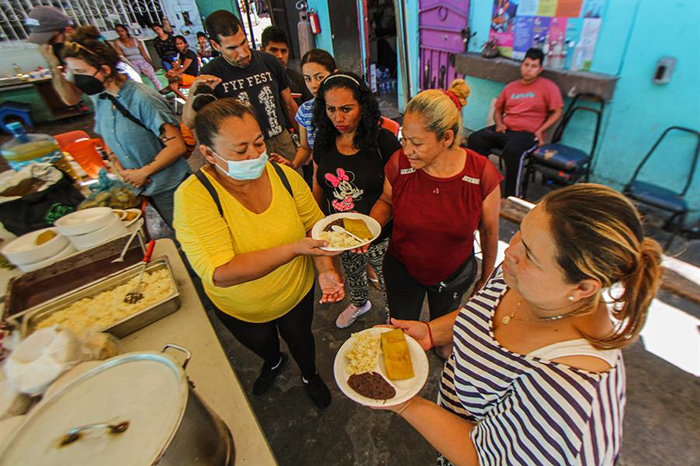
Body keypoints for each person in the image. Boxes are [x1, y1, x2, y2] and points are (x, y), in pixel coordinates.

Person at [376, 183, 662, 466]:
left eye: (531, 255)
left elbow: (485, 458)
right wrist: (431, 332)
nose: (509, 252)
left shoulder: (569, 392)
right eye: (521, 233)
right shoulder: (521, 276)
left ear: (583, 287)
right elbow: (485, 310)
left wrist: (405, 402)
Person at [173, 98, 345, 409]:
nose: (254, 155)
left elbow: (314, 227)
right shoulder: (195, 197)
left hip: (294, 293)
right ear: (209, 154)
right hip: (241, 307)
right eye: (240, 151)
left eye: (258, 143)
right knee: (262, 344)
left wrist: (325, 270)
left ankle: (310, 375)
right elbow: (221, 272)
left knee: (301, 339)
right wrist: (293, 249)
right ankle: (274, 361)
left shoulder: (284, 176)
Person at [368, 80, 501, 356]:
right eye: (405, 139)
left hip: (453, 274)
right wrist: (368, 229)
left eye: (417, 143)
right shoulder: (400, 164)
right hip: (403, 268)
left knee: (443, 342)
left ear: (447, 138)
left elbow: (489, 232)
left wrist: (485, 278)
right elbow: (386, 201)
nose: (407, 150)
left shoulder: (480, 174)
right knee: (401, 333)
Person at [62, 26, 190, 228]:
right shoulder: (101, 98)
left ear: (105, 70)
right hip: (140, 187)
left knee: (187, 234)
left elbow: (176, 146)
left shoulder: (143, 99)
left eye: (81, 72)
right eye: (73, 73)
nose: (77, 79)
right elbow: (109, 137)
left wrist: (143, 172)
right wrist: (119, 168)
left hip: (170, 187)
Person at [310, 72, 401, 329]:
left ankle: (393, 317)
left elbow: (394, 195)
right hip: (341, 234)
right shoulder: (324, 141)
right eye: (331, 109)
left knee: (387, 280)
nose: (338, 118)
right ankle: (360, 303)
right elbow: (318, 185)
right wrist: (318, 225)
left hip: (380, 233)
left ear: (363, 105)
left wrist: (367, 233)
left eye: (346, 109)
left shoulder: (383, 142)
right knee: (352, 272)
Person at [182, 10, 299, 165]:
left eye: (244, 42)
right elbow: (189, 123)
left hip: (280, 140)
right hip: (245, 148)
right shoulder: (211, 73)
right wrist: (193, 92)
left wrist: (306, 142)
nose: (243, 53)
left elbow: (289, 104)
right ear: (216, 45)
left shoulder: (269, 61)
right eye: (232, 48)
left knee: (293, 177)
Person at [468, 47, 564, 198]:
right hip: (505, 129)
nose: (529, 69)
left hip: (528, 134)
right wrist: (499, 123)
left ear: (540, 69)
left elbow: (558, 111)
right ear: (521, 65)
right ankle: (479, 184)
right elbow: (498, 110)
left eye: (534, 66)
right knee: (475, 139)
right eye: (526, 64)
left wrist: (541, 130)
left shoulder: (548, 87)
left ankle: (512, 197)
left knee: (512, 151)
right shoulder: (511, 87)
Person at [25, 6, 142, 107]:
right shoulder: (73, 61)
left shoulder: (97, 50)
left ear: (69, 31)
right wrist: (53, 66)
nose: (50, 46)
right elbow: (71, 99)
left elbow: (131, 89)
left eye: (52, 39)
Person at [271, 48, 336, 185]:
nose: (314, 85)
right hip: (323, 176)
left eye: (319, 77)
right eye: (307, 79)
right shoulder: (305, 111)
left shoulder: (347, 107)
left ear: (335, 74)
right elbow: (306, 148)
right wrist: (293, 164)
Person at [260, 26, 313, 106]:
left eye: (283, 51)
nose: (280, 56)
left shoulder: (299, 80)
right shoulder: (257, 82)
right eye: (274, 50)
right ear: (262, 51)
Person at [112, 24, 164, 91]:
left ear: (126, 31)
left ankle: (161, 92)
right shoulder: (117, 42)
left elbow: (144, 54)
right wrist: (129, 66)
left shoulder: (135, 40)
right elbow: (121, 57)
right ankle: (145, 93)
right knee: (137, 79)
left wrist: (151, 64)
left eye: (122, 31)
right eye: (118, 31)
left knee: (153, 76)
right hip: (130, 63)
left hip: (142, 61)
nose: (121, 33)